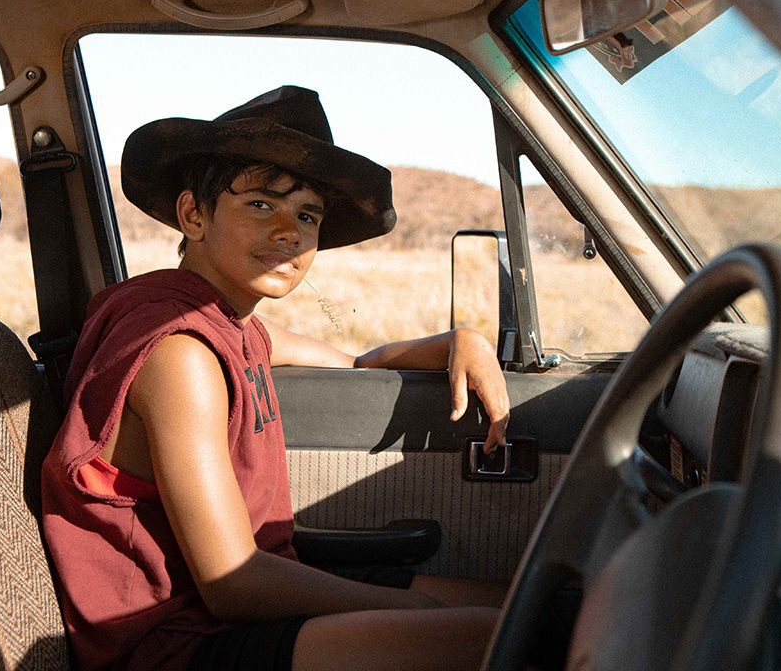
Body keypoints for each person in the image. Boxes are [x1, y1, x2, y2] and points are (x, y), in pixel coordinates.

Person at [41, 86, 512, 671]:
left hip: (238, 603)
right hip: (176, 641)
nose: (292, 232)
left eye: (307, 214)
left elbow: (358, 363)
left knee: (527, 605)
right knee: (491, 637)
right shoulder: (179, 351)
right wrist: (404, 608)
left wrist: (456, 341)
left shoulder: (230, 325)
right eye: (262, 205)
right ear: (194, 214)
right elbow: (230, 582)